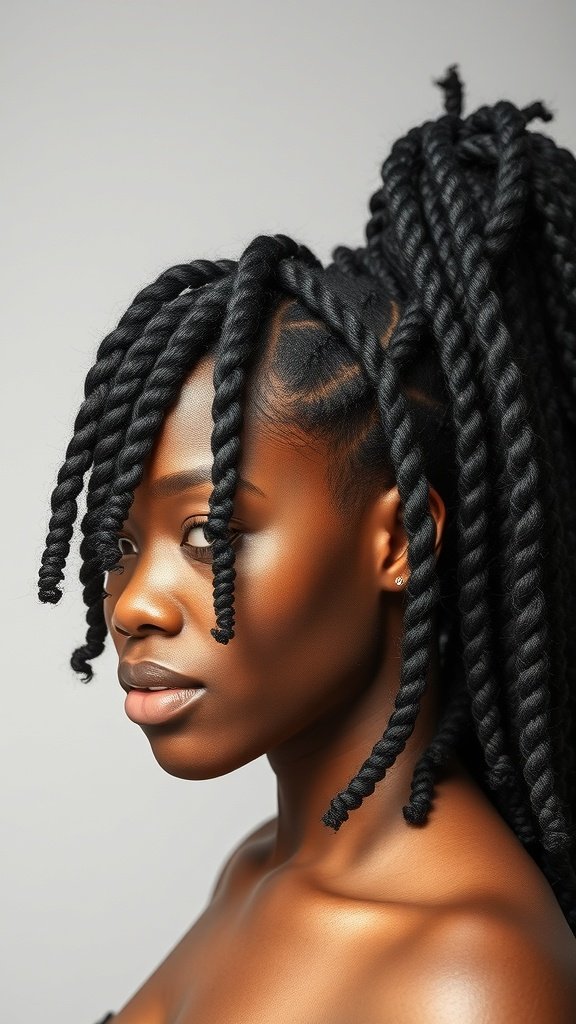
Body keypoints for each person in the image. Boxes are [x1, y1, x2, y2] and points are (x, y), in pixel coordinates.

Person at [39, 65, 576, 1023]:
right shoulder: (255, 868)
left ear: (402, 538)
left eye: (208, 532)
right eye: (120, 543)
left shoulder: (471, 976)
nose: (131, 603)